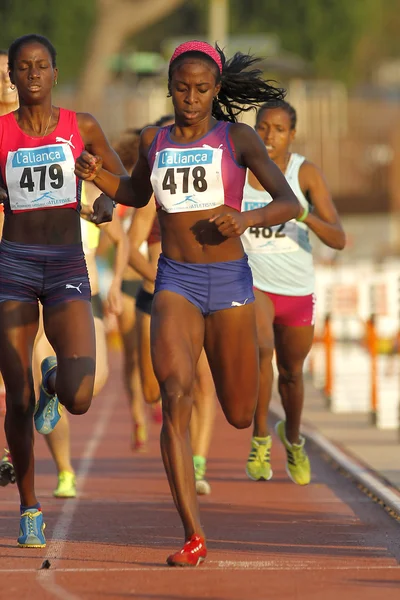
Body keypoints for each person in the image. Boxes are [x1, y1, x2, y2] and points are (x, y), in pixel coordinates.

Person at [75, 40, 300, 567]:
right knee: (174, 396)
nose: (191, 98)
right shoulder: (155, 140)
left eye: (202, 89)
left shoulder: (237, 138)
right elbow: (134, 193)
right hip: (173, 281)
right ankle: (193, 534)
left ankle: (254, 405)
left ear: (216, 90)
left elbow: (288, 201)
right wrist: (97, 178)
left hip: (230, 283)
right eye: (181, 88)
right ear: (170, 89)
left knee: (241, 413)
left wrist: (245, 218)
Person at [0, 33, 126, 548]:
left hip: (66, 264)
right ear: (11, 77)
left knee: (77, 394)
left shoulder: (82, 126)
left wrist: (103, 202)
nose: (32, 73)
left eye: (42, 65)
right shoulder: (1, 133)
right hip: (13, 267)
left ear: (55, 73)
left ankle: (54, 383)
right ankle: (30, 507)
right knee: (16, 394)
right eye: (23, 67)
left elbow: (121, 181)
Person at [242, 100, 345, 484]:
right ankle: (260, 438)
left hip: (297, 290)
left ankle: (295, 438)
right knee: (260, 349)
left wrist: (302, 213)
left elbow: (339, 239)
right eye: (263, 128)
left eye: (279, 129)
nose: (270, 136)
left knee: (291, 374)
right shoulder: (241, 168)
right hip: (254, 282)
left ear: (293, 135)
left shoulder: (305, 174)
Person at [32, 180, 128, 498]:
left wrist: (115, 285)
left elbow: (121, 239)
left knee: (94, 381)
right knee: (41, 371)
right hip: (43, 300)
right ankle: (65, 470)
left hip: (89, 300)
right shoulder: (31, 186)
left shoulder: (88, 190)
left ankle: (52, 382)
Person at [128, 190, 217, 494]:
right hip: (155, 297)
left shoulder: (209, 195)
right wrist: (162, 279)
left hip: (199, 298)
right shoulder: (154, 196)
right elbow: (130, 249)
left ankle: (198, 465)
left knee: (202, 382)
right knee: (153, 391)